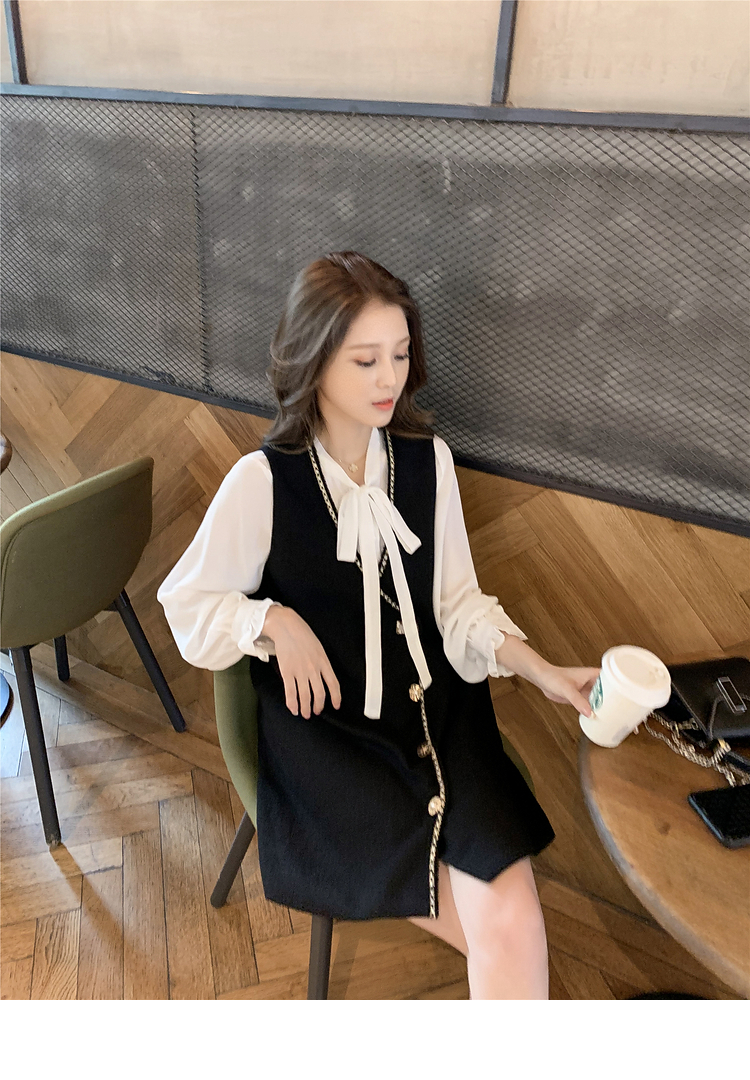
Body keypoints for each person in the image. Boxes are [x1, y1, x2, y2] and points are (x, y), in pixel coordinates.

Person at [157, 251, 600, 999]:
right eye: (365, 360)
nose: (389, 378)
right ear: (313, 361)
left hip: (445, 721)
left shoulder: (429, 462)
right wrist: (273, 620)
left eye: (399, 354)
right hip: (333, 744)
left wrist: (544, 673)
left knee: (511, 931)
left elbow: (457, 604)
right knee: (508, 937)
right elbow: (187, 606)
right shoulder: (262, 483)